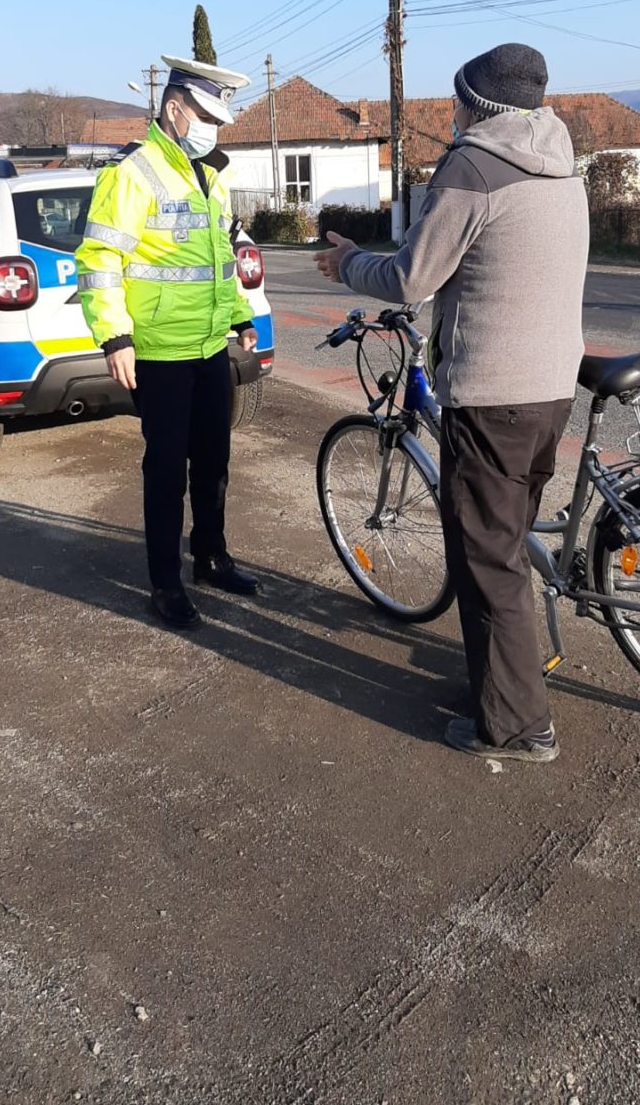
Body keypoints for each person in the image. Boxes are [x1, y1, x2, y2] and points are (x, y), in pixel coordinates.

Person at [315, 43, 589, 764]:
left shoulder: (471, 166)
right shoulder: (561, 160)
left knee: (487, 560)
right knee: (507, 545)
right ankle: (506, 673)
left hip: (492, 394)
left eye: (460, 99)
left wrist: (346, 262)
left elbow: (413, 277)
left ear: (479, 105)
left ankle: (518, 726)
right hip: (551, 387)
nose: (455, 111)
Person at [76, 55, 261, 629]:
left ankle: (210, 556)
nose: (213, 129)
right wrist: (114, 337)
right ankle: (165, 583)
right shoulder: (132, 172)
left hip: (208, 349)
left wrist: (240, 316)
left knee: (214, 462)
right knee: (166, 472)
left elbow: (216, 262)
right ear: (175, 109)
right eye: (206, 116)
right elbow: (100, 260)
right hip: (156, 353)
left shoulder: (210, 174)